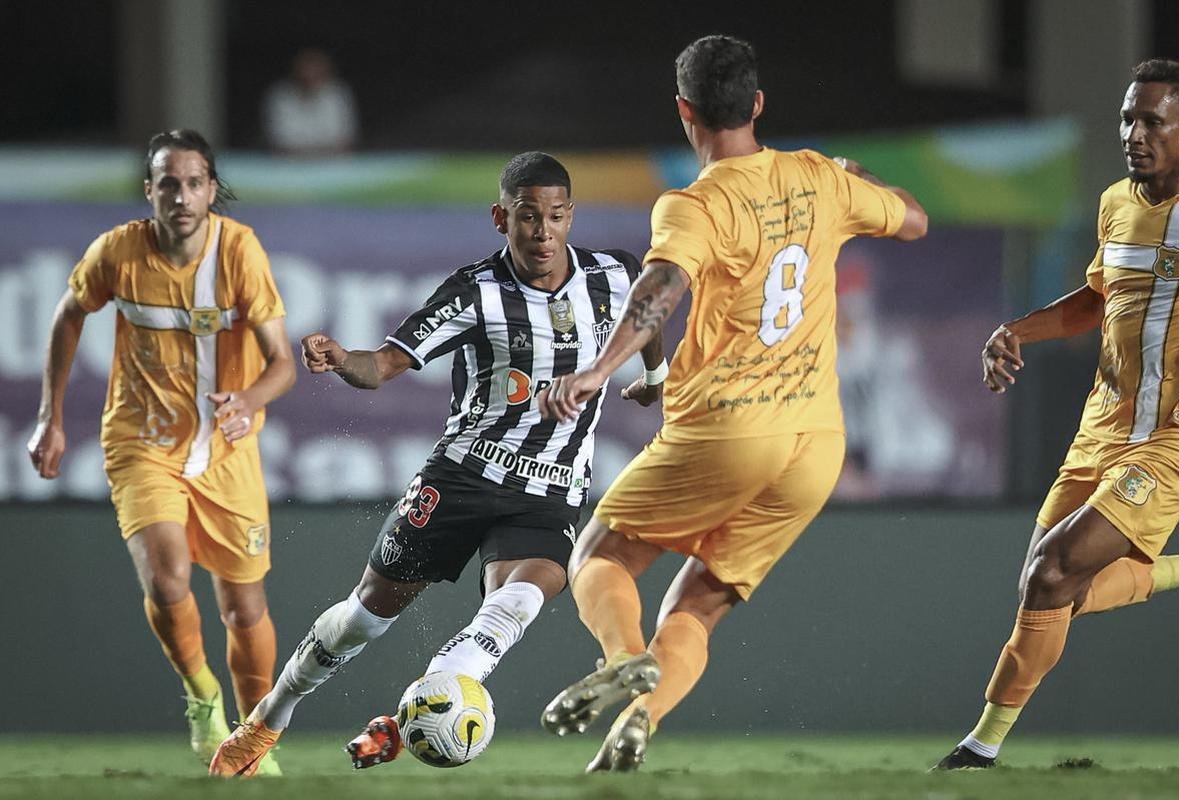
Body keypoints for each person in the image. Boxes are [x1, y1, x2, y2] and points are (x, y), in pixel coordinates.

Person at [537, 35, 928, 773]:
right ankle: (641, 719)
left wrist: (598, 369)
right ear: (756, 104)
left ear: (685, 111)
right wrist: (853, 173)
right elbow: (914, 220)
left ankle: (625, 661)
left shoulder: (695, 203)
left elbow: (660, 289)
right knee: (699, 605)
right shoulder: (821, 178)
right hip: (816, 447)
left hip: (729, 429)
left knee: (602, 552)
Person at [209, 151, 666, 777]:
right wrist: (343, 358)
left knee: (520, 601)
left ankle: (415, 715)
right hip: (462, 477)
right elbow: (384, 365)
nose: (543, 232)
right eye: (528, 217)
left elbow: (651, 308)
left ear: (570, 217)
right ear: (500, 217)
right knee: (363, 618)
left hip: (551, 490)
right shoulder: (474, 291)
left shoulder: (614, 275)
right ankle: (271, 716)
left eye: (556, 217)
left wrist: (655, 375)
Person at [933, 59, 1179, 770]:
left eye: (1151, 120)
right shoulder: (1117, 203)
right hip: (1102, 427)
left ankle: (977, 752)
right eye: (1126, 118)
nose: (1134, 133)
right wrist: (1015, 331)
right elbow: (1095, 300)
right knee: (1050, 591)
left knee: (1053, 572)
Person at [26, 129, 296, 773]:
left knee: (243, 607)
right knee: (168, 575)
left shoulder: (239, 252)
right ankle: (203, 698)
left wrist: (249, 400)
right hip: (141, 442)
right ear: (150, 190)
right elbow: (69, 313)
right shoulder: (118, 252)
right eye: (167, 183)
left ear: (211, 189)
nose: (181, 196)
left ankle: (254, 740)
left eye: (194, 182)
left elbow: (283, 363)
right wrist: (50, 418)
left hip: (227, 452)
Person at [262, 48, 358, 156]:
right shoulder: (280, 95)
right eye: (305, 69)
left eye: (315, 69)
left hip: (332, 163)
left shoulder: (338, 94)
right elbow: (279, 140)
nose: (310, 74)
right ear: (295, 71)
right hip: (288, 164)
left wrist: (311, 150)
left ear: (326, 71)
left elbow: (343, 139)